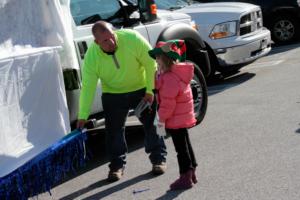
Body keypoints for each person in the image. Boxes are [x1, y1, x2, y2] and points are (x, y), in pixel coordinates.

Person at [77, 21, 167, 182]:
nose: (111, 42)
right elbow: (88, 87)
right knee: (113, 132)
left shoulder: (132, 38)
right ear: (96, 42)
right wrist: (82, 115)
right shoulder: (92, 56)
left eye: (112, 37)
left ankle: (159, 159)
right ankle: (116, 166)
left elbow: (150, 62)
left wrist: (149, 90)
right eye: (105, 41)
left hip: (141, 90)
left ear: (114, 33)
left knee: (155, 123)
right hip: (113, 94)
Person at [148, 39, 198, 190]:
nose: (156, 61)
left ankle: (185, 176)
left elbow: (168, 104)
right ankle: (192, 171)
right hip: (181, 117)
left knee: (180, 149)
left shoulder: (169, 79)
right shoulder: (175, 75)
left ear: (165, 59)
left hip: (175, 118)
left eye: (157, 57)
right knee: (185, 145)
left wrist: (160, 119)